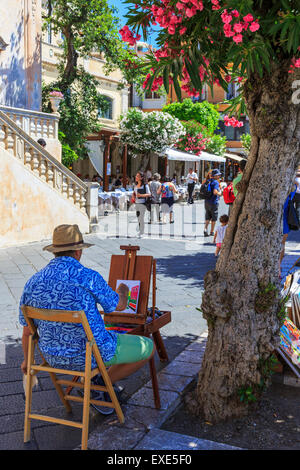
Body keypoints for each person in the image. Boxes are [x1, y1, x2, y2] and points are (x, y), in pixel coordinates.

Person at [19, 224, 155, 415]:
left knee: (105, 341)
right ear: (78, 252)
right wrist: (123, 290)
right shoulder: (88, 277)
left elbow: (27, 332)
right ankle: (97, 386)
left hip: (52, 357)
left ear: (55, 251)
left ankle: (96, 383)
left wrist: (27, 362)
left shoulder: (32, 282)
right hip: (90, 355)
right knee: (147, 346)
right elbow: (120, 306)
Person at [203, 168, 223, 237]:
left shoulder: (208, 181)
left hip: (206, 201)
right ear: (215, 175)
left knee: (207, 216)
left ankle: (205, 229)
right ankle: (211, 231)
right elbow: (215, 192)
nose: (219, 176)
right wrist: (220, 193)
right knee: (214, 217)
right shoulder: (216, 182)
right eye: (218, 175)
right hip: (213, 201)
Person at [132, 171, 151, 238]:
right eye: (136, 176)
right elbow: (134, 193)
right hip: (137, 203)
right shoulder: (135, 186)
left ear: (141, 177)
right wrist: (133, 196)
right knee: (138, 217)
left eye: (137, 176)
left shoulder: (145, 186)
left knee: (141, 217)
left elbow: (149, 194)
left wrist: (141, 195)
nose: (136, 177)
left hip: (143, 203)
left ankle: (141, 231)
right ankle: (141, 230)